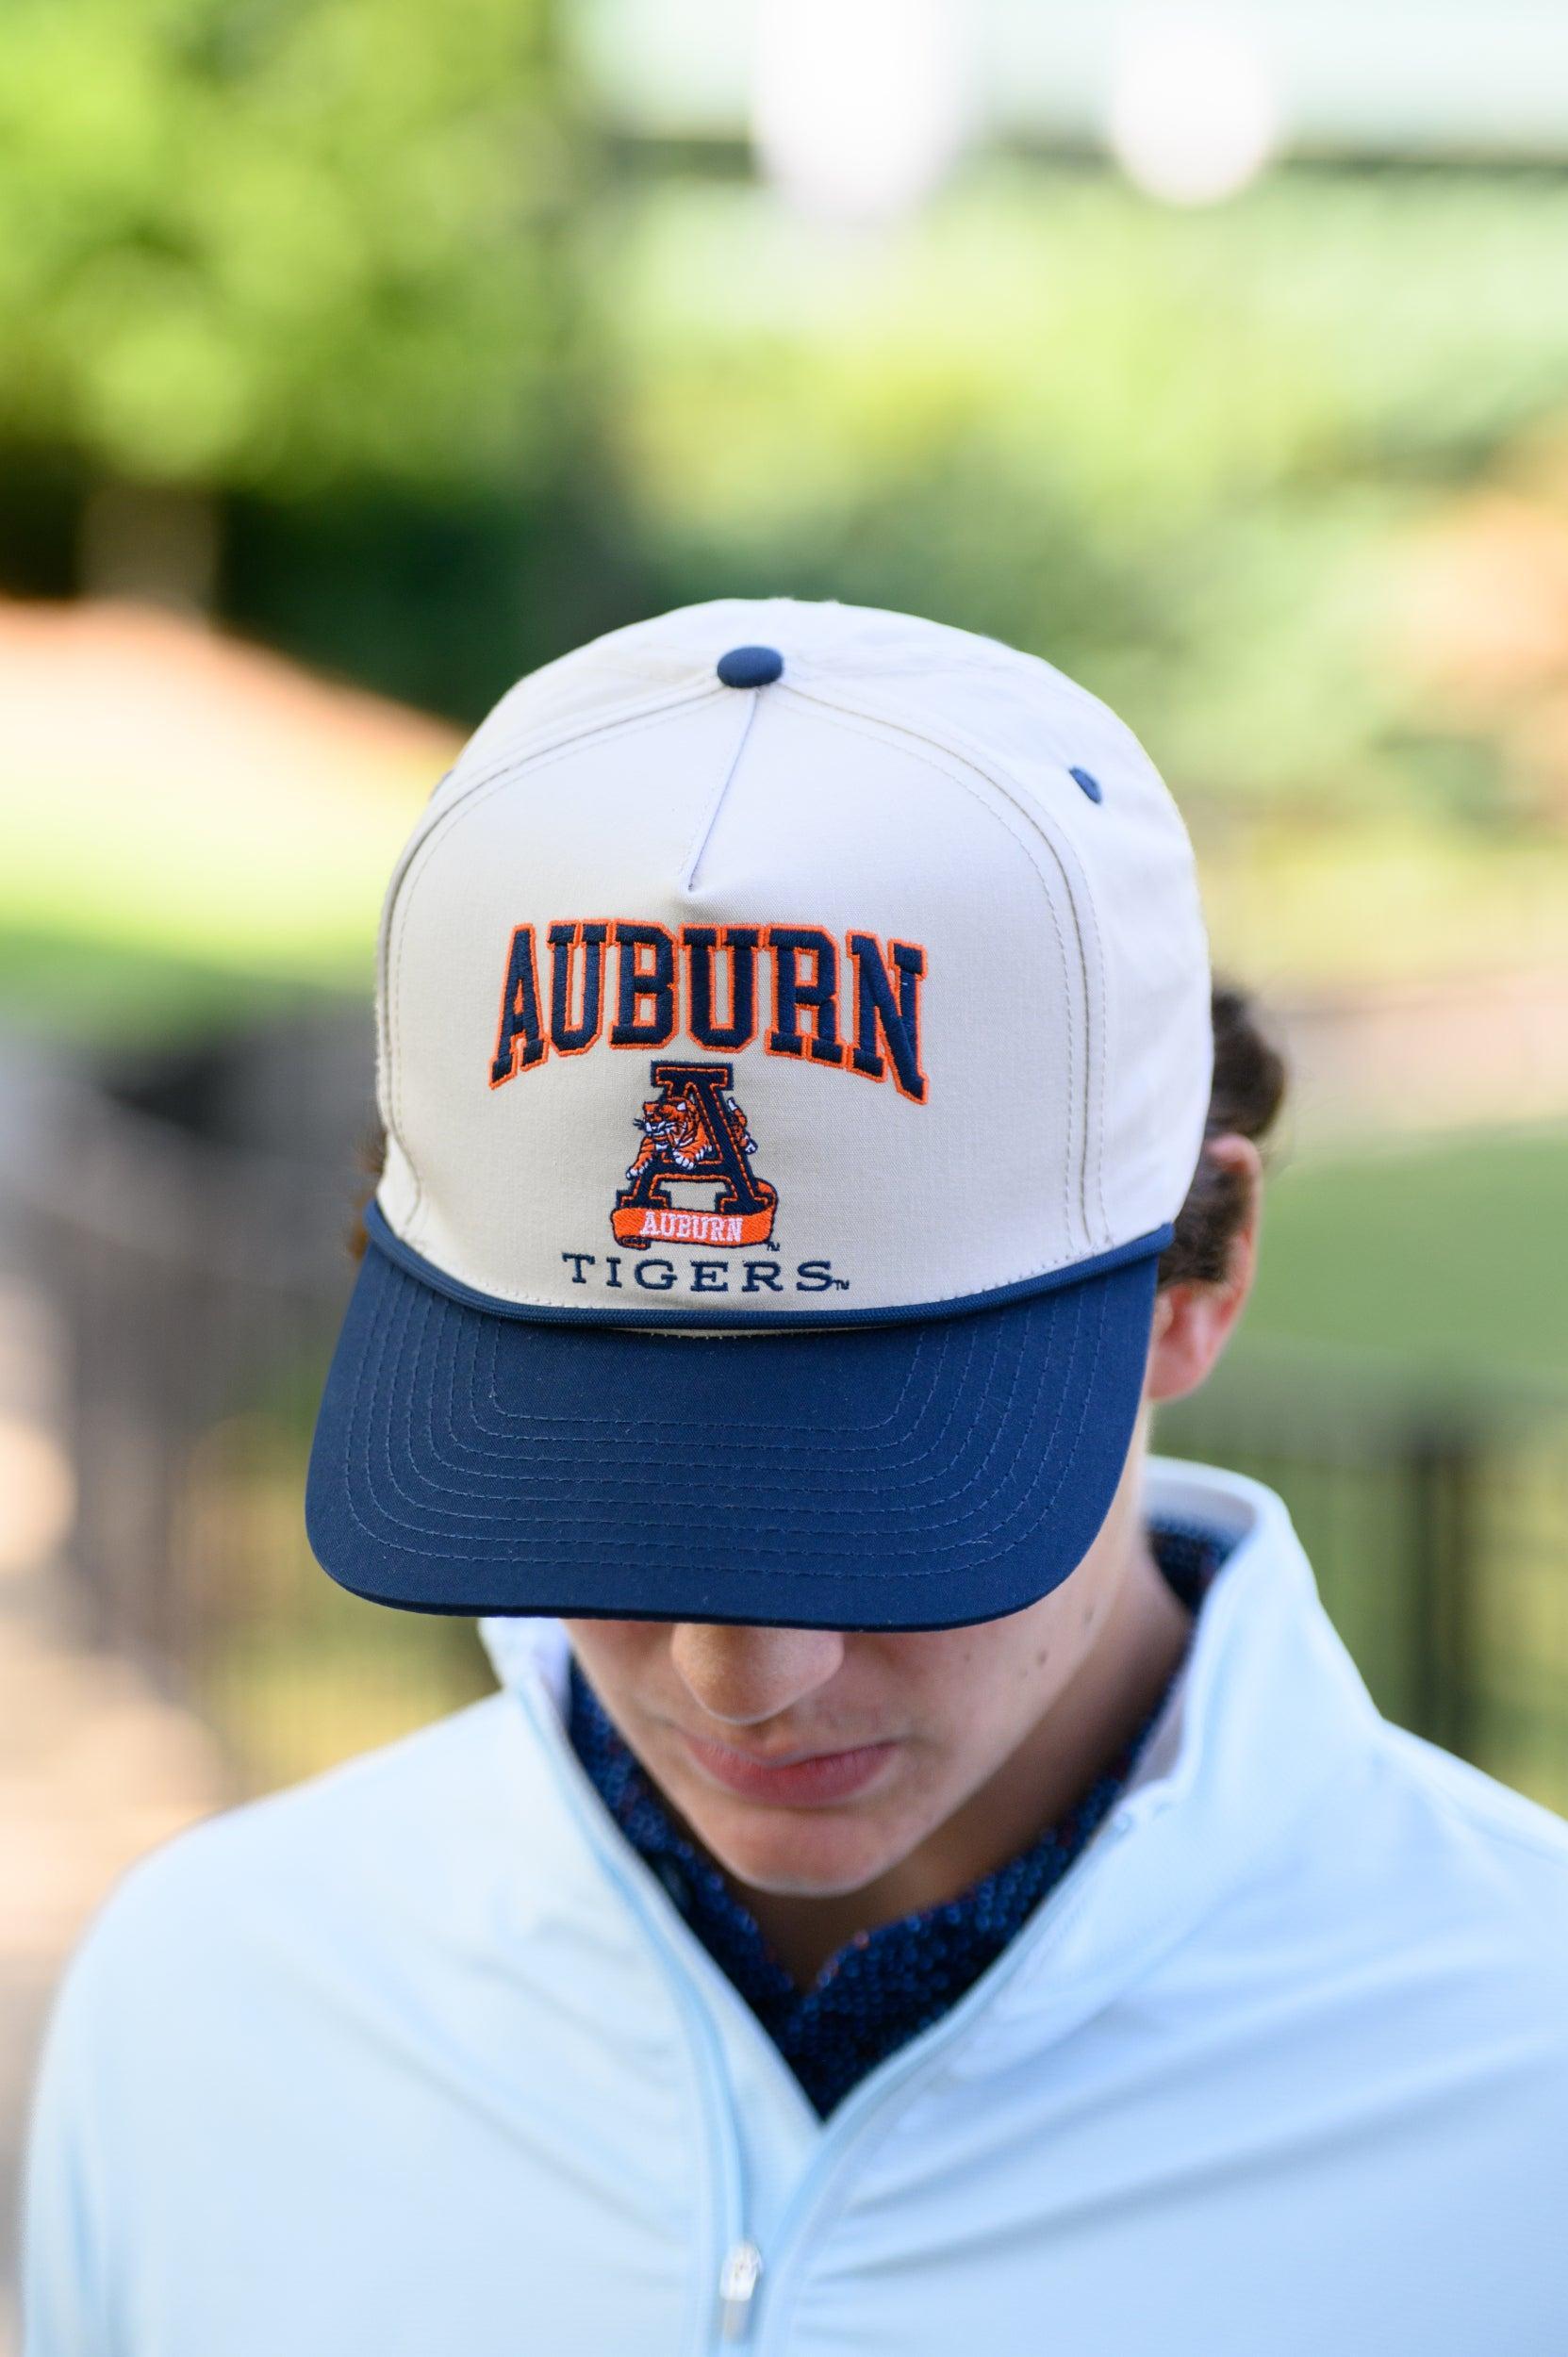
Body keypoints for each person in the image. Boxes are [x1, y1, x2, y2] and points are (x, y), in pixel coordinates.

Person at [23, 601, 1568, 2356]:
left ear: (1196, 1283)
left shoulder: (1529, 2089)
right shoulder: (210, 2004)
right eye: (604, 1484)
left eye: (881, 1514)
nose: (739, 1676)